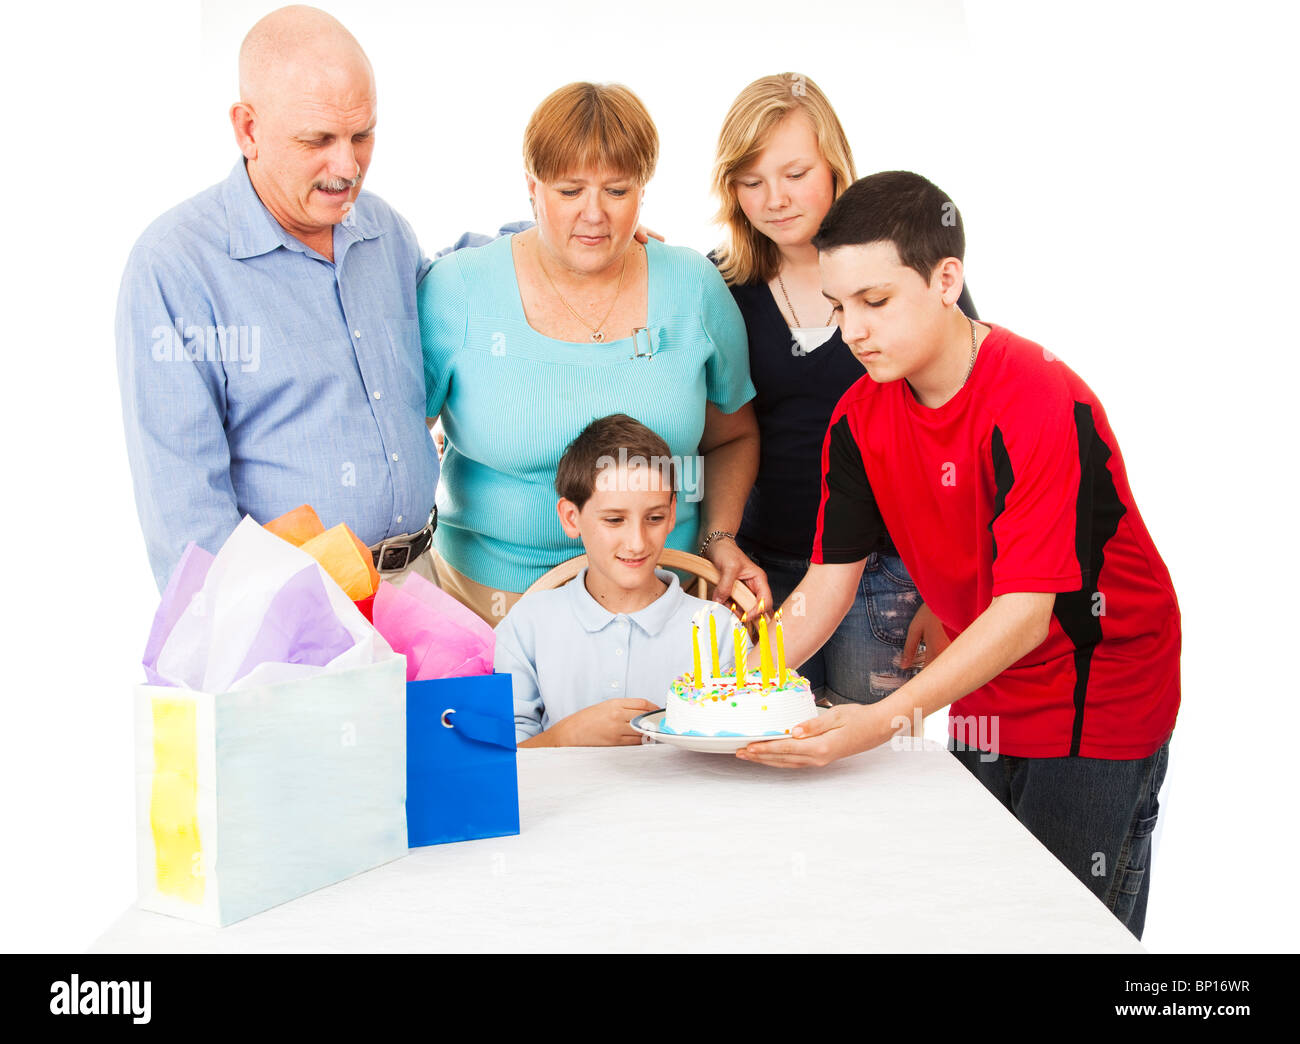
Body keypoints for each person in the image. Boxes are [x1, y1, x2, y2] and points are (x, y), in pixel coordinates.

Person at [739, 172, 1180, 939]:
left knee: (1062, 928)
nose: (852, 330)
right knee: (978, 917)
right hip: (986, 678)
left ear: (948, 280)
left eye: (876, 302)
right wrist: (731, 686)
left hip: (1098, 686)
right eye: (839, 306)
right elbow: (827, 586)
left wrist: (878, 723)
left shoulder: (1040, 399)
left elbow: (1024, 615)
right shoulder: (858, 416)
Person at [419, 82, 770, 625]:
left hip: (663, 596)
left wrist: (719, 536)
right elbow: (398, 438)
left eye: (617, 190)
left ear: (644, 190)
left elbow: (733, 435)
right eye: (569, 191)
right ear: (531, 187)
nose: (594, 215)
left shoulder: (693, 287)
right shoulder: (456, 292)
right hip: (489, 604)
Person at [116, 6, 438, 591]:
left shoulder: (383, 229)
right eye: (318, 139)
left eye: (361, 135)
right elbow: (184, 512)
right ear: (247, 129)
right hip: (293, 610)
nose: (348, 166)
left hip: (420, 586)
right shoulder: (176, 264)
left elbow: (453, 290)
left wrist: (572, 232)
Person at [711, 72, 971, 705]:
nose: (774, 198)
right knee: (760, 750)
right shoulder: (715, 285)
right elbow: (719, 431)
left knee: (864, 762)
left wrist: (947, 593)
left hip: (887, 572)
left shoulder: (905, 269)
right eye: (751, 181)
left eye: (795, 173)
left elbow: (962, 428)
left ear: (833, 164)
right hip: (764, 568)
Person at [496, 415, 738, 746]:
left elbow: (736, 745)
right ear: (571, 517)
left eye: (654, 518)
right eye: (614, 519)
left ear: (671, 513)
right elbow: (501, 758)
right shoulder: (529, 623)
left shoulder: (718, 629)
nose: (637, 543)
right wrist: (570, 735)